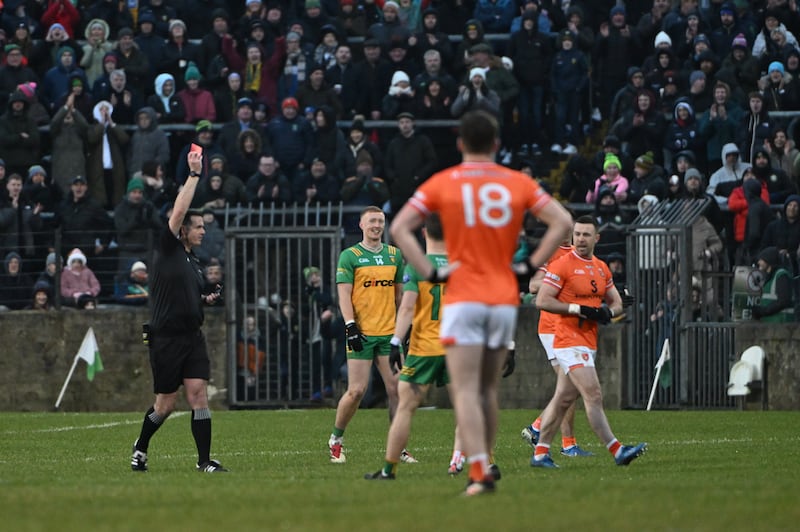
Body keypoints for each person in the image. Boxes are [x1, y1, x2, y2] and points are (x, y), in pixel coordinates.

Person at [389, 110, 573, 496]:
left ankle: (478, 473)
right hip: (502, 295)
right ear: (496, 144)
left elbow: (399, 227)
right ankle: (485, 460)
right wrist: (527, 265)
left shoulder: (444, 181)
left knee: (465, 391)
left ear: (460, 144)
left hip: (464, 295)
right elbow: (562, 221)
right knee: (488, 390)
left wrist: (429, 270)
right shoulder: (515, 181)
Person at [130, 150, 228, 474]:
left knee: (198, 395)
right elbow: (180, 208)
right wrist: (195, 175)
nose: (202, 231)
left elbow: (192, 295)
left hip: (192, 337)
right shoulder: (168, 247)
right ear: (182, 229)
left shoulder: (193, 261)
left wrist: (207, 297)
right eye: (197, 227)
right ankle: (141, 447)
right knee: (166, 405)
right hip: (165, 338)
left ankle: (204, 461)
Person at [532, 215, 647, 469]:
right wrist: (578, 308)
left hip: (587, 339)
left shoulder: (601, 268)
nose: (580, 239)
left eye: (586, 235)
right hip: (567, 339)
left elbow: (616, 302)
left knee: (563, 398)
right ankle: (617, 450)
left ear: (597, 238)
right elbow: (542, 300)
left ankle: (540, 452)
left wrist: (608, 312)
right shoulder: (562, 264)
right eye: (577, 234)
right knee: (593, 394)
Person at [364, 214, 449, 480]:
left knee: (405, 407)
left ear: (424, 233)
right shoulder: (461, 267)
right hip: (456, 348)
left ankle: (389, 470)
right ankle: (486, 465)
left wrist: (395, 342)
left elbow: (408, 308)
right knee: (469, 404)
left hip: (424, 348)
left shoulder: (417, 266)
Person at [327, 206, 406, 465]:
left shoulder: (394, 255)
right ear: (361, 225)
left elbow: (399, 296)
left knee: (396, 389)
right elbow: (344, 295)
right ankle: (336, 440)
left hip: (388, 335)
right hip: (362, 333)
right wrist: (350, 326)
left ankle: (398, 448)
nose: (376, 225)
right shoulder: (350, 256)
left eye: (380, 221)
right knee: (357, 391)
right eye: (371, 221)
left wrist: (402, 329)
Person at [521, 236, 594, 458]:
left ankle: (537, 428)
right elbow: (533, 285)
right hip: (552, 327)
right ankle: (567, 444)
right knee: (571, 384)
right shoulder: (551, 253)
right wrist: (560, 281)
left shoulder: (582, 256)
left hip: (570, 327)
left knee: (570, 386)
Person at [749, 246, 794, 322]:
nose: (758, 262)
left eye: (761, 259)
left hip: (782, 324)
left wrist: (763, 311)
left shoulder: (781, 275)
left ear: (768, 260)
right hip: (772, 324)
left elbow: (783, 301)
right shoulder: (771, 277)